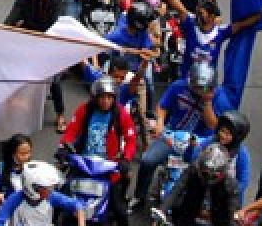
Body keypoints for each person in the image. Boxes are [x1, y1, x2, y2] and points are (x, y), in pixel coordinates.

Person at [130, 63, 235, 210]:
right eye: (195, 86)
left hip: (200, 143)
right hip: (173, 135)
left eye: (202, 87)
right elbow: (162, 106)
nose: (198, 90)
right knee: (148, 161)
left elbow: (213, 126)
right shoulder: (179, 87)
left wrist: (207, 102)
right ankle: (139, 196)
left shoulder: (220, 98)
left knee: (202, 173)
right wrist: (160, 123)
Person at [59, 78, 137, 226]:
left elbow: (131, 140)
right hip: (83, 165)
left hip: (108, 169)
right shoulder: (84, 110)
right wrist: (62, 147)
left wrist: (126, 158)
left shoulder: (121, 114)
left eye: (109, 97)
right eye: (102, 97)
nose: (105, 101)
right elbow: (71, 131)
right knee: (60, 200)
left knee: (121, 212)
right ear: (95, 98)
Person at [4, 0, 68, 131]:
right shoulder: (24, 0)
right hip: (27, 41)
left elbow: (57, 24)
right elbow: (10, 20)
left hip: (49, 43)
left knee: (53, 79)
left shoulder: (57, 1)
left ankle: (60, 114)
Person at [162, 0, 262, 78]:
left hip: (207, 87)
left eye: (201, 13)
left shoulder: (221, 32)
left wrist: (260, 15)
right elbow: (181, 9)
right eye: (197, 12)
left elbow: (242, 24)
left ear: (211, 17)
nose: (197, 16)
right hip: (186, 83)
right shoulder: (190, 25)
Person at [158, 143, 241, 225]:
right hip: (190, 211)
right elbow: (177, 188)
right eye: (205, 173)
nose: (209, 178)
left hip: (217, 218)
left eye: (214, 175)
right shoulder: (193, 169)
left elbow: (233, 211)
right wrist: (162, 210)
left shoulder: (230, 183)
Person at [0, 161, 86, 226]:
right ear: (34, 188)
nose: (51, 190)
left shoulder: (51, 196)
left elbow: (77, 205)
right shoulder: (15, 199)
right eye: (47, 188)